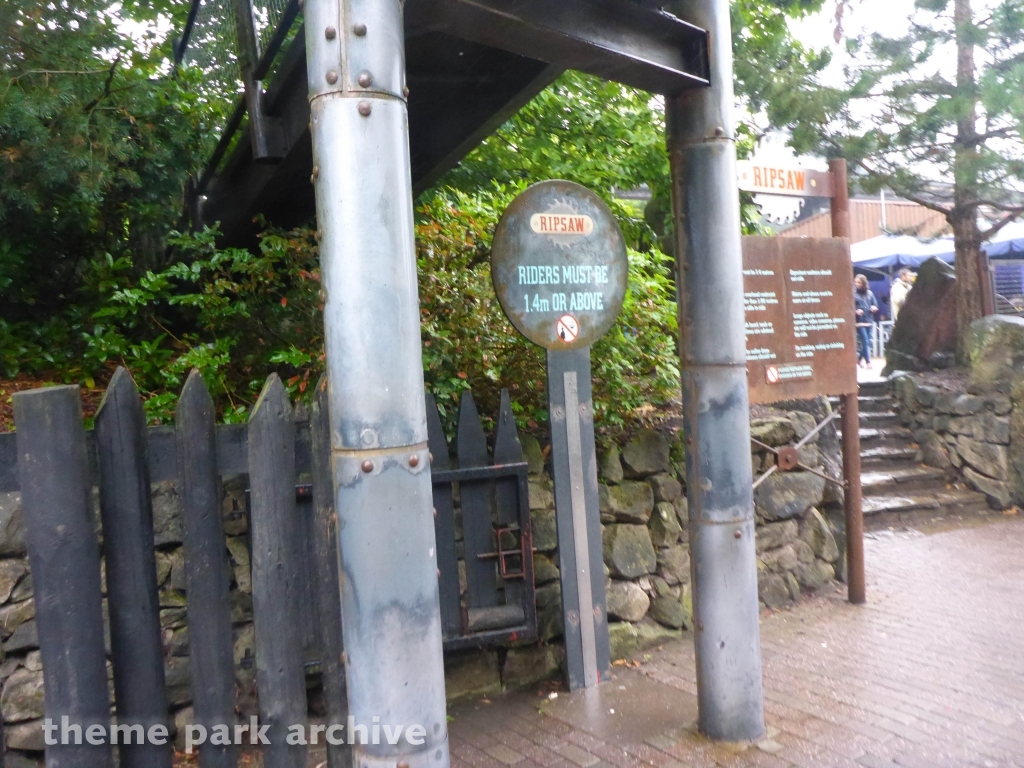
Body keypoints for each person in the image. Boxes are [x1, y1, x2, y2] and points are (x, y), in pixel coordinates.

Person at [854, 274, 879, 368]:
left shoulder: (870, 293)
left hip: (869, 319)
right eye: (856, 282)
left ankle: (859, 359)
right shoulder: (853, 293)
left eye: (859, 282)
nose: (857, 284)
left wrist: (874, 307)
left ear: (864, 283)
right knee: (865, 340)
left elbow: (875, 305)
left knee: (868, 342)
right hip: (859, 321)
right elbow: (849, 307)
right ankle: (868, 362)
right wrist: (855, 311)